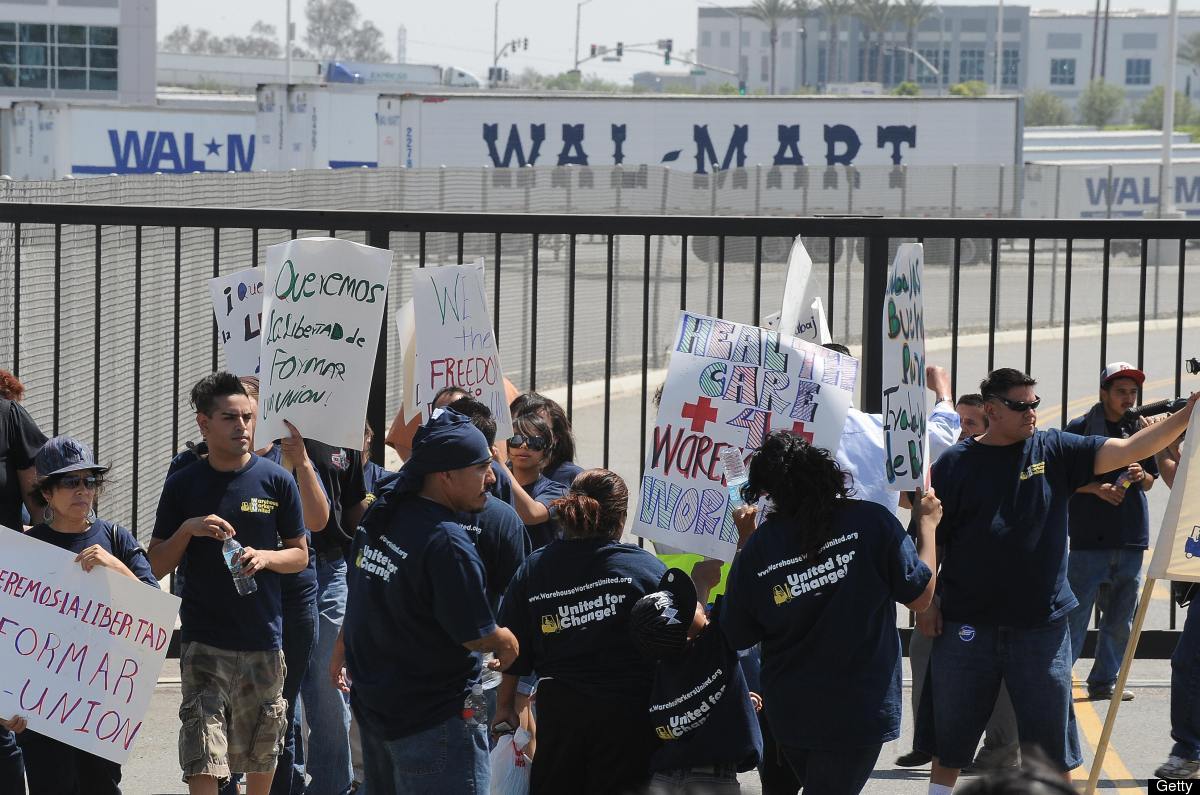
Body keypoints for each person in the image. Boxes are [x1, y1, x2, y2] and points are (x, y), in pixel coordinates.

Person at [917, 367, 1197, 792]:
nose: (1032, 412)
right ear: (990, 410)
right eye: (1020, 405)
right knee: (951, 738)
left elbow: (1129, 448)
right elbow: (931, 534)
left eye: (1034, 403)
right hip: (967, 625)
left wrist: (1190, 411)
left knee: (1051, 745)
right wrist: (929, 604)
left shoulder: (1054, 448)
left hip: (1041, 629)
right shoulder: (954, 464)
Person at [721, 430, 939, 795]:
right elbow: (920, 596)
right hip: (859, 706)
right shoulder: (872, 522)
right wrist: (927, 527)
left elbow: (738, 632)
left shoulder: (760, 545)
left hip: (792, 710)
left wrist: (746, 541)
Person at [334, 409, 519, 794]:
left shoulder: (385, 512)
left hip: (379, 711)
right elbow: (475, 635)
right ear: (446, 475)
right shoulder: (447, 543)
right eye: (481, 467)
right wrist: (505, 640)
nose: (493, 478)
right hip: (434, 722)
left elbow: (363, 596)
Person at [148, 373, 310, 795]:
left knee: (263, 747)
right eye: (230, 418)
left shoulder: (277, 481)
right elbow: (157, 562)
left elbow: (300, 554)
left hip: (263, 637)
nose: (242, 427)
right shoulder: (184, 482)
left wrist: (266, 557)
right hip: (204, 641)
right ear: (204, 423)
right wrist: (188, 529)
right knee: (203, 748)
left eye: (248, 417)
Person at [1, 436, 159, 794]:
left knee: (100, 786)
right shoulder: (26, 549)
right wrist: (5, 702)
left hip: (101, 700)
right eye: (71, 482)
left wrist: (114, 565)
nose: (83, 490)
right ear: (47, 492)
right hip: (41, 703)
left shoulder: (116, 538)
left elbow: (153, 609)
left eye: (90, 480)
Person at [493, 469, 666, 795]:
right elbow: (677, 638)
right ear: (621, 518)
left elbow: (511, 648)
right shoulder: (645, 570)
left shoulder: (535, 570)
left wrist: (504, 707)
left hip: (562, 720)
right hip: (630, 720)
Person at [901, 390, 1019, 775]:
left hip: (985, 601)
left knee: (998, 677)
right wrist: (926, 600)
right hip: (943, 595)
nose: (962, 431)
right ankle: (930, 742)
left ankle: (1001, 751)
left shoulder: (1004, 470)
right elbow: (921, 532)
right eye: (960, 422)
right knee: (924, 655)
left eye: (970, 424)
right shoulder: (949, 465)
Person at [1064, 363, 1158, 703]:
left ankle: (1105, 680)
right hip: (1089, 540)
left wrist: (1139, 472)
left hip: (1130, 537)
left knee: (1120, 619)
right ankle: (1059, 680)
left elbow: (1151, 480)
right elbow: (1064, 480)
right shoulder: (1080, 428)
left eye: (1133, 393)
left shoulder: (1140, 428)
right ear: (1104, 392)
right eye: (1121, 392)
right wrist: (1097, 489)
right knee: (1074, 616)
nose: (1128, 399)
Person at [631, 566, 763, 795]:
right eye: (692, 605)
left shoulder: (659, 664)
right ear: (688, 630)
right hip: (713, 780)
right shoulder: (717, 645)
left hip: (664, 779)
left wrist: (737, 701)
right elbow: (740, 588)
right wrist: (702, 582)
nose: (703, 605)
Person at [447, 396, 532, 724]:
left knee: (476, 744)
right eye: (482, 469)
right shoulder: (403, 508)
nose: (494, 478)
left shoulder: (499, 519)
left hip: (478, 670)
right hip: (418, 680)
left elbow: (516, 597)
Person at [821, 344, 960, 513]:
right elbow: (942, 436)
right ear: (850, 378)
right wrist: (943, 391)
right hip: (877, 533)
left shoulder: (788, 434)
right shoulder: (881, 428)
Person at [0, 368, 45, 795]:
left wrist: (55, 541)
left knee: (4, 720)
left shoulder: (7, 417)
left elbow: (37, 492)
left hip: (5, 584)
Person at [496, 410, 568, 550]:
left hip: (537, 569)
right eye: (516, 440)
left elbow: (531, 515)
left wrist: (499, 464)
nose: (523, 446)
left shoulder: (558, 491)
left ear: (545, 450)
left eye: (534, 442)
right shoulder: (492, 484)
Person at [510, 392, 584, 486]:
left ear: (555, 437)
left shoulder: (574, 478)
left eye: (537, 428)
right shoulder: (497, 474)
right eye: (517, 430)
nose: (524, 444)